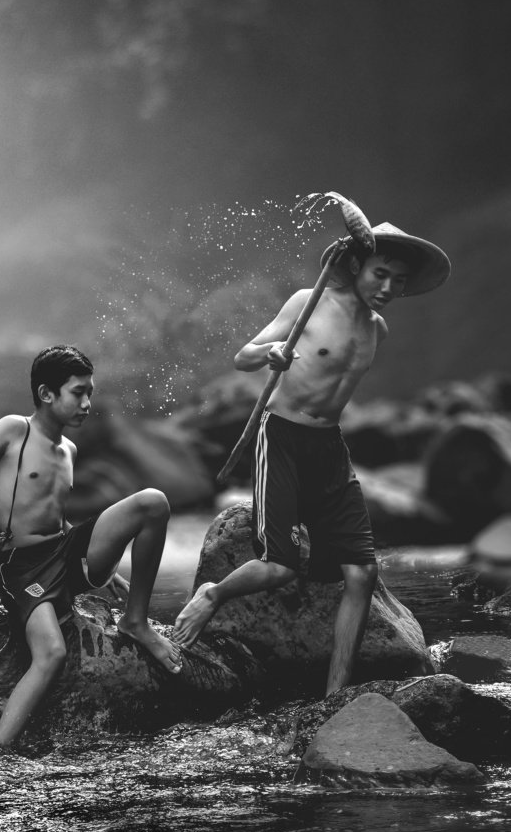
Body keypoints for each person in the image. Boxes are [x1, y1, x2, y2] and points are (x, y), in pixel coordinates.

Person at [173, 221, 451, 693]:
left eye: (398, 281)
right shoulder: (309, 302)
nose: (388, 288)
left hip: (330, 448)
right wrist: (273, 352)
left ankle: (334, 695)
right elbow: (244, 356)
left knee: (362, 572)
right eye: (380, 274)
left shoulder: (377, 329)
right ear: (356, 266)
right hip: (280, 436)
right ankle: (212, 594)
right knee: (279, 566)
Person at [0, 344, 182, 746]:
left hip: (66, 554)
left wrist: (111, 571)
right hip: (21, 567)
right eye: (78, 392)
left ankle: (135, 621)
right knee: (51, 654)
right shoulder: (15, 429)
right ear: (47, 394)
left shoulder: (70, 449)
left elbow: (56, 517)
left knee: (153, 502)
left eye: (90, 393)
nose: (87, 402)